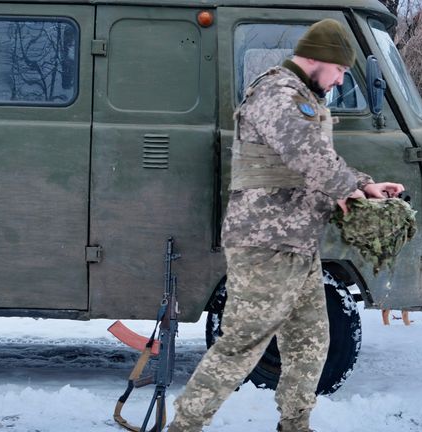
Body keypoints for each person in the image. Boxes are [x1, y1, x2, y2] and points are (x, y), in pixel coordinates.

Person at [168, 19, 404, 432]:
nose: (340, 79)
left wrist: (366, 186)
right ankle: (183, 427)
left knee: (310, 341)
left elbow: (318, 161)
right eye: (340, 70)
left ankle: (295, 424)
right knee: (242, 344)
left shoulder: (302, 98)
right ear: (318, 59)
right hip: (266, 245)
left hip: (297, 244)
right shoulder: (278, 93)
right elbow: (305, 156)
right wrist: (352, 188)